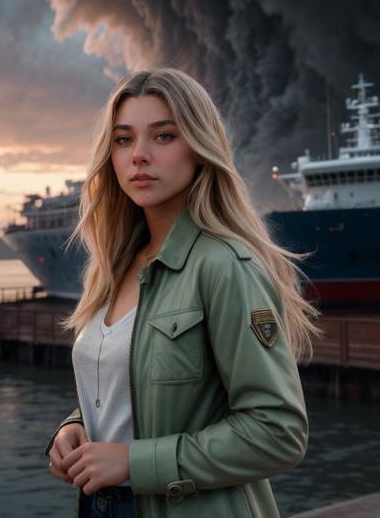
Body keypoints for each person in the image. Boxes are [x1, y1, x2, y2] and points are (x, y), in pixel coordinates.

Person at [45, 68, 319, 518]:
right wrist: (76, 427)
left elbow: (279, 431)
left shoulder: (224, 266)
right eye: (123, 140)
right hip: (103, 507)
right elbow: (136, 382)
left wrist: (133, 460)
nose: (139, 156)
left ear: (199, 148)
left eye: (164, 136)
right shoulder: (112, 267)